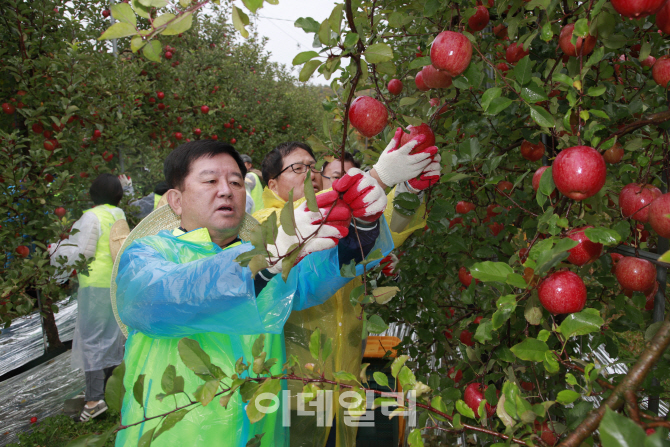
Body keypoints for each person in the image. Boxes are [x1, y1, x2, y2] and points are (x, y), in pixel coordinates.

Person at [112, 140, 392, 447]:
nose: (226, 190)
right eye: (210, 181)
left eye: (235, 181)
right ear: (176, 200)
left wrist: (365, 224)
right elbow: (167, 294)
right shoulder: (147, 255)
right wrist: (265, 255)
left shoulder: (268, 260)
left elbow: (317, 275)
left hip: (261, 434)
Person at [254, 133, 441, 447]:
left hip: (342, 380)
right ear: (272, 185)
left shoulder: (334, 223)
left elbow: (388, 229)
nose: (311, 175)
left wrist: (409, 190)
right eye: (297, 169)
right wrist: (379, 178)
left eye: (313, 167)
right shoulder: (265, 222)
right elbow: (306, 222)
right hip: (294, 388)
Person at [49, 173, 127, 422]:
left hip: (95, 286)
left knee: (93, 341)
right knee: (113, 339)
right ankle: (114, 393)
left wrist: (56, 252)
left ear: (92, 194)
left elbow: (81, 252)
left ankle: (94, 400)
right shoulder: (119, 215)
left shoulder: (91, 216)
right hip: (116, 284)